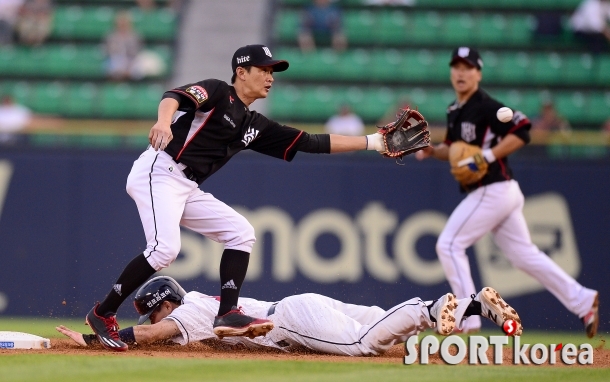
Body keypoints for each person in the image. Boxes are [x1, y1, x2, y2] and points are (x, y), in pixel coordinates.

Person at [84, 44, 395, 352]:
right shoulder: (219, 92)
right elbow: (174, 97)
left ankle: (228, 313)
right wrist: (164, 121)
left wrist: (373, 141)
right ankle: (103, 312)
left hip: (185, 184)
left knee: (241, 232)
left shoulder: (253, 124)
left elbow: (311, 142)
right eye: (263, 70)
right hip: (160, 168)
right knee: (165, 249)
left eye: (272, 71)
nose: (270, 77)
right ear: (241, 72)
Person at [415, 47, 600, 337]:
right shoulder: (455, 110)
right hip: (500, 192)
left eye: (468, 67)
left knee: (449, 244)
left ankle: (467, 319)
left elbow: (524, 130)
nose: (461, 72)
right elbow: (452, 150)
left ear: (478, 73)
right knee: (524, 256)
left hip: (493, 189)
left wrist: (487, 156)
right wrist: (430, 151)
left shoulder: (487, 106)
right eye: (457, 67)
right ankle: (583, 300)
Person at [59, 276, 522, 356]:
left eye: (155, 305)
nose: (157, 314)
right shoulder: (203, 302)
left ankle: (432, 308)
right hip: (300, 306)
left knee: (363, 345)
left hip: (293, 322)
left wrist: (98, 341)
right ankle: (474, 305)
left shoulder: (192, 311)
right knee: (382, 332)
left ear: (167, 300)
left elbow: (155, 333)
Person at [104, 11, 143, 81]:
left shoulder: (134, 35)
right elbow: (110, 51)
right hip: (116, 59)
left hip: (131, 59)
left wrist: (128, 66)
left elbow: (136, 51)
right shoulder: (111, 35)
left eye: (124, 22)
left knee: (138, 69)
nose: (122, 24)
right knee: (111, 67)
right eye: (120, 22)